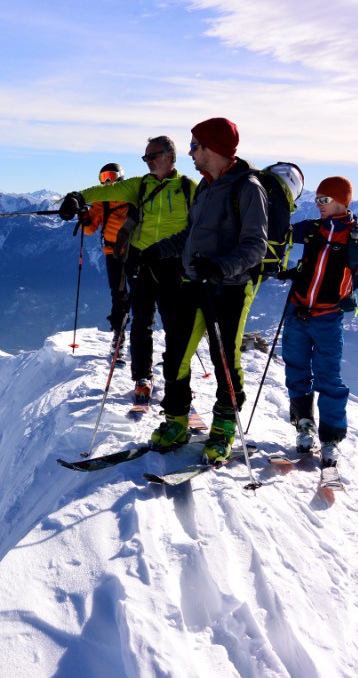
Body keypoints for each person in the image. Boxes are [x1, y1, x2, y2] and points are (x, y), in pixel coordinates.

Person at [137, 118, 268, 463]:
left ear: (214, 148)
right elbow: (190, 236)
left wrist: (221, 267)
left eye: (195, 146)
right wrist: (158, 249)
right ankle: (176, 421)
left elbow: (256, 246)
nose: (191, 152)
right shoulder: (205, 188)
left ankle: (224, 428)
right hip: (194, 283)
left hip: (230, 288)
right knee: (177, 353)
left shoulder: (247, 187)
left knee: (224, 359)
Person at [278, 176, 358, 485]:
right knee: (296, 371)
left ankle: (329, 440)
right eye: (316, 200)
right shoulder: (313, 229)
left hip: (328, 318)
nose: (318, 205)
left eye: (323, 200)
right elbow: (282, 233)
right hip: (298, 311)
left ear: (342, 201)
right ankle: (304, 425)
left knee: (329, 379)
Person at [76, 138, 197, 402]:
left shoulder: (189, 188)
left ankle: (177, 376)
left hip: (174, 263)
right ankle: (142, 376)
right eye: (145, 158)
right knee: (141, 320)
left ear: (169, 155)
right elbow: (102, 193)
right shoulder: (140, 186)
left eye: (152, 156)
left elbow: (206, 220)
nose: (148, 161)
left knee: (175, 324)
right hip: (141, 260)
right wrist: (78, 197)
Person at [75, 163, 130, 358]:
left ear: (120, 177)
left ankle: (136, 334)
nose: (107, 181)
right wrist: (83, 216)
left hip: (136, 252)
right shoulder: (102, 202)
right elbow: (89, 228)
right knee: (118, 294)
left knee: (142, 294)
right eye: (103, 177)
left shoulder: (133, 197)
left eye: (111, 176)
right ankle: (118, 335)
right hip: (113, 252)